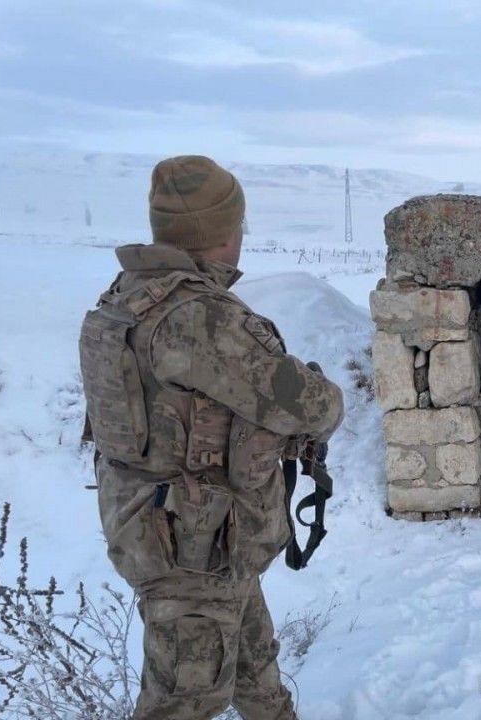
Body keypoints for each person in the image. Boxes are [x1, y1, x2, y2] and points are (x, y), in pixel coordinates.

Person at [78, 155, 343, 719]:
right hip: (194, 551)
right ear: (223, 232)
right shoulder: (198, 318)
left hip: (183, 536)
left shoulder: (128, 295)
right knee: (183, 704)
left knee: (257, 677)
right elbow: (311, 407)